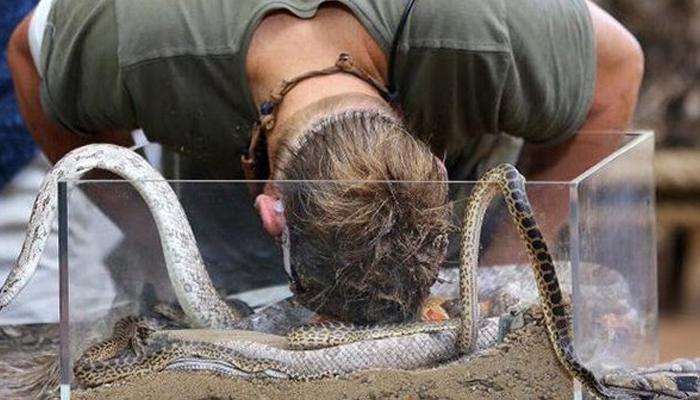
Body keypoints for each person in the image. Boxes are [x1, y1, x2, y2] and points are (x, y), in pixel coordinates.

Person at [7, 0, 643, 325]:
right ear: (271, 211)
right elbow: (27, 58)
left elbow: (617, 69)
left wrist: (504, 272)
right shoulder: (139, 37)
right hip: (213, 199)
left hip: (465, 222)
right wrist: (155, 240)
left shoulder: (485, 29)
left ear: (435, 161)